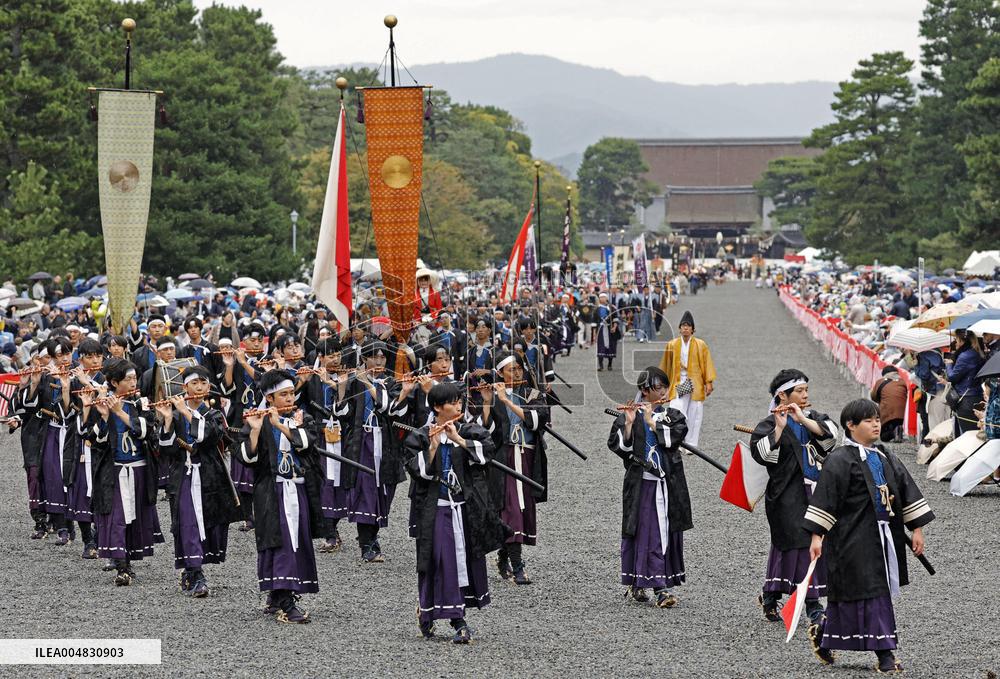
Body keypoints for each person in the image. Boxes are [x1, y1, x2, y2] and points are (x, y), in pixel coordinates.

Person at [804, 399, 934, 674]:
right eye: (868, 420)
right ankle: (886, 655)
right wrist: (817, 537)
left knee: (868, 590)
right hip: (851, 537)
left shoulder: (885, 456)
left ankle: (825, 632)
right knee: (866, 591)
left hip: (884, 536)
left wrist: (917, 529)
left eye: (877, 418)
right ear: (851, 426)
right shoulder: (839, 459)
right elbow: (826, 498)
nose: (876, 424)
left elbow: (905, 489)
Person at [404, 382, 503, 642]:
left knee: (462, 561)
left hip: (463, 509)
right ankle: (435, 614)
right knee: (439, 561)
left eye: (460, 401)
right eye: (452, 402)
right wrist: (434, 445)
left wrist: (458, 439)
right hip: (435, 510)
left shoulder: (469, 430)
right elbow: (416, 471)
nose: (458, 406)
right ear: (437, 407)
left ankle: (456, 619)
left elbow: (487, 454)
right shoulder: (421, 435)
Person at [749, 369, 838, 625]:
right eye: (799, 391)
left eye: (806, 391)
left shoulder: (814, 418)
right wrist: (779, 428)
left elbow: (832, 438)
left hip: (817, 493)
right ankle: (812, 605)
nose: (805, 396)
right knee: (798, 545)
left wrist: (803, 420)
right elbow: (762, 455)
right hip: (787, 496)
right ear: (782, 395)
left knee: (801, 546)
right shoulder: (768, 424)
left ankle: (770, 593)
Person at [239, 369, 322, 623]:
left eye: (291, 393)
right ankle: (285, 601)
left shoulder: (301, 417)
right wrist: (255, 430)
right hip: (271, 492)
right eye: (283, 395)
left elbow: (307, 444)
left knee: (295, 540)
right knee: (279, 542)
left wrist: (281, 426)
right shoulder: (259, 420)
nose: (289, 398)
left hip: (297, 489)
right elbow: (246, 458)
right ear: (270, 399)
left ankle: (278, 596)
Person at [606, 367, 692, 608]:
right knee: (645, 533)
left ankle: (653, 582)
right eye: (656, 388)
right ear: (644, 391)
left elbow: (676, 437)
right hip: (641, 485)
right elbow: (619, 447)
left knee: (662, 533)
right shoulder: (628, 415)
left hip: (668, 484)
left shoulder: (672, 415)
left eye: (663, 387)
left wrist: (650, 421)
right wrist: (631, 424)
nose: (661, 391)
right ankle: (658, 587)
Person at [156, 365, 240, 597]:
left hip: (210, 477)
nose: (200, 387)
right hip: (183, 476)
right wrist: (167, 421)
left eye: (204, 383)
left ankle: (193, 571)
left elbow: (209, 436)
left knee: (209, 523)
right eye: (195, 383)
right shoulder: (175, 413)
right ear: (185, 387)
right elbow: (167, 449)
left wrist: (184, 412)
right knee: (187, 522)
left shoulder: (213, 413)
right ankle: (196, 573)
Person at [89, 360, 163, 585]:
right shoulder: (102, 403)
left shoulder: (141, 403)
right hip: (114, 471)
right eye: (128, 379)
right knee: (117, 516)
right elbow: (96, 440)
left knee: (136, 515)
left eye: (135, 378)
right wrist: (103, 416)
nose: (133, 383)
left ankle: (128, 560)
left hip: (140, 468)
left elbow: (147, 432)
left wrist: (120, 413)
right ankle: (121, 565)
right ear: (114, 383)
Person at [481, 350, 550, 585]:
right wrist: (488, 401)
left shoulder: (532, 393)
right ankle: (518, 566)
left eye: (518, 368)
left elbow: (537, 420)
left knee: (522, 509)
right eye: (511, 369)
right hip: (504, 458)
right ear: (499, 373)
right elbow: (486, 429)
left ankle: (504, 555)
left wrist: (507, 400)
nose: (516, 372)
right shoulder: (494, 394)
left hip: (528, 457)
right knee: (511, 508)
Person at [658, 311, 716, 447]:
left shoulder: (701, 345)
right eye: (683, 326)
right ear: (679, 328)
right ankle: (677, 442)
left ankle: (690, 444)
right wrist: (663, 386)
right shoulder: (672, 345)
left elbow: (707, 364)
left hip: (695, 383)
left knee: (695, 413)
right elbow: (666, 366)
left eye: (688, 326)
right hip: (678, 382)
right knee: (675, 410)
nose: (685, 328)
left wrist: (709, 382)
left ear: (692, 329)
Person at [940, 331, 986, 436]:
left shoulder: (965, 356)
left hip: (965, 399)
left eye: (956, 339)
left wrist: (949, 365)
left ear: (961, 340)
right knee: (973, 432)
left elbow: (952, 377)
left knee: (967, 434)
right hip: (975, 395)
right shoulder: (976, 352)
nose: (955, 342)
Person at [870, 366, 908, 442]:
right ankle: (898, 430)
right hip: (903, 413)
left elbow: (873, 396)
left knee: (884, 437)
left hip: (887, 414)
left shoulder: (880, 381)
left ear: (884, 374)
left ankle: (894, 433)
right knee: (896, 423)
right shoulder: (903, 381)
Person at [595, 293, 621, 372]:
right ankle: (601, 365)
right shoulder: (597, 309)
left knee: (611, 346)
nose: (603, 298)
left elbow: (615, 318)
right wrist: (594, 333)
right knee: (601, 346)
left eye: (604, 297)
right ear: (599, 299)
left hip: (610, 329)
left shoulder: (611, 308)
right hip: (600, 329)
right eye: (601, 297)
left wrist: (614, 327)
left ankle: (610, 364)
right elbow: (594, 321)